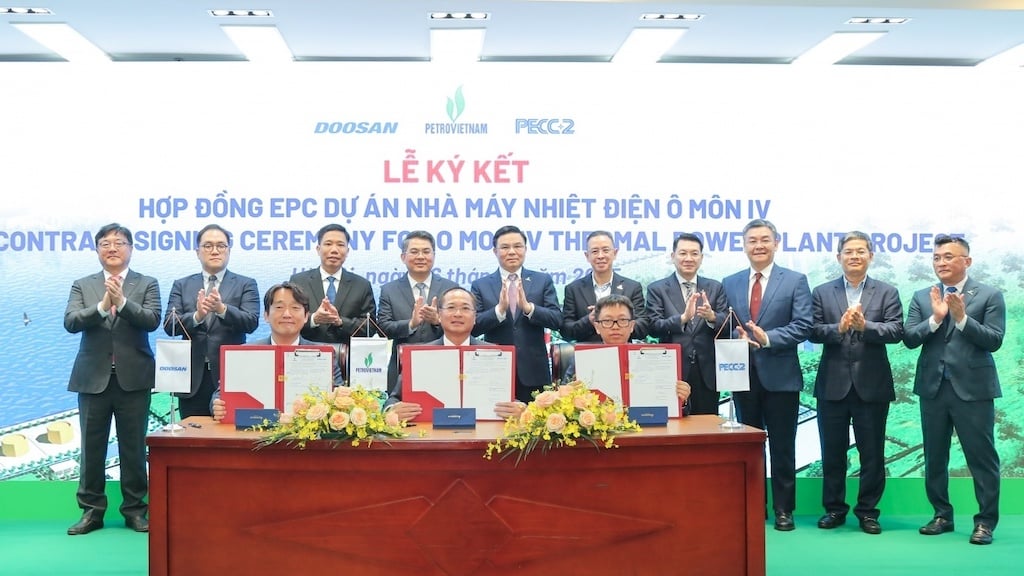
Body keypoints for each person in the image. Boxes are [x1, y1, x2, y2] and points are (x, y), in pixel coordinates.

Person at [904, 234, 1004, 546]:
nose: (941, 262)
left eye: (948, 256)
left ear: (967, 261)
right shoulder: (923, 296)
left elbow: (994, 340)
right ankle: (941, 515)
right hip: (933, 389)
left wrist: (962, 319)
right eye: (937, 258)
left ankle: (985, 522)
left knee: (981, 458)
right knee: (935, 457)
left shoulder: (989, 295)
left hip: (973, 390)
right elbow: (910, 338)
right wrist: (935, 319)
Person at [64, 223, 161, 536]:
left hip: (134, 379)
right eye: (105, 243)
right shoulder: (83, 285)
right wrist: (102, 307)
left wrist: (123, 302)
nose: (112, 248)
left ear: (130, 248)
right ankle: (91, 512)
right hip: (93, 379)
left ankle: (135, 510)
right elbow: (71, 322)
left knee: (133, 449)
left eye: (119, 242)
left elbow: (152, 320)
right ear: (97, 250)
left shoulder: (147, 283)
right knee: (92, 449)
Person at [809, 231, 904, 535]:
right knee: (832, 452)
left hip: (872, 386)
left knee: (872, 453)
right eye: (848, 251)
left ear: (870, 256)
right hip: (832, 385)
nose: (854, 256)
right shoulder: (822, 292)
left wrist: (867, 326)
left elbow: (896, 331)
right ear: (838, 257)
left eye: (860, 251)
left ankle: (868, 512)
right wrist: (837, 328)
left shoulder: (887, 292)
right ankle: (834, 509)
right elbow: (812, 331)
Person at [722, 218, 812, 532]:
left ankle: (784, 509)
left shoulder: (795, 280)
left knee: (783, 446)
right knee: (748, 446)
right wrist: (734, 334)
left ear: (776, 242)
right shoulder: (730, 282)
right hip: (742, 376)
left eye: (764, 239)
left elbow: (803, 325)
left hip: (781, 377)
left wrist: (768, 338)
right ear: (744, 245)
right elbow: (726, 323)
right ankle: (753, 506)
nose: (758, 245)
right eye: (752, 240)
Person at [163, 224, 260, 418]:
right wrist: (197, 316)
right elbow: (169, 325)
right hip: (191, 378)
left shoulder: (246, 284)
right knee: (192, 433)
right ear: (197, 252)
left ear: (229, 250)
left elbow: (251, 322)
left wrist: (222, 310)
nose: (215, 251)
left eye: (221, 246)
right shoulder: (182, 284)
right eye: (208, 246)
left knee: (228, 432)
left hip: (230, 375)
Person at [212, 282, 346, 421]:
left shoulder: (323, 355)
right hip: (254, 429)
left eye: (295, 308)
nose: (287, 314)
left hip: (306, 431)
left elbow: (339, 397)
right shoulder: (244, 354)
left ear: (306, 316)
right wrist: (217, 406)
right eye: (279, 307)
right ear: (266, 315)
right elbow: (219, 395)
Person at [387, 287, 525, 422]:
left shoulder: (495, 355)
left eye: (465, 308)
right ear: (439, 315)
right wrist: (392, 410)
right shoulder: (420, 356)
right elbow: (393, 399)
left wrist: (521, 410)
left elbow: (510, 399)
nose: (458, 314)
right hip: (429, 432)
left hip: (484, 432)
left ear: (475, 317)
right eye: (451, 307)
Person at [471, 225, 563, 402]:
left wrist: (529, 309)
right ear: (495, 251)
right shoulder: (480, 285)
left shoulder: (542, 280)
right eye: (505, 247)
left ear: (525, 249)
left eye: (517, 246)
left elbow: (556, 319)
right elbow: (473, 327)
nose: (512, 252)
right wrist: (499, 310)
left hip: (534, 371)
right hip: (494, 370)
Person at [647, 233, 728, 415]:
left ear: (701, 257)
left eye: (694, 253)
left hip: (707, 371)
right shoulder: (657, 289)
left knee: (707, 425)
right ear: (672, 256)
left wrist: (712, 317)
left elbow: (727, 325)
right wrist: (682, 319)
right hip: (672, 371)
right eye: (683, 253)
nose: (689, 258)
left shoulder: (715, 287)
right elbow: (653, 326)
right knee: (673, 424)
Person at [565, 294, 691, 406]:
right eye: (607, 321)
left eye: (622, 320)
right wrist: (567, 393)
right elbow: (563, 401)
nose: (615, 327)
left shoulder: (653, 357)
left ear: (632, 326)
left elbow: (682, 410)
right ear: (597, 327)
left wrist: (682, 399)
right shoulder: (582, 358)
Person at [377, 230, 459, 396]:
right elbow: (382, 329)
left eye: (426, 251)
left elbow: (463, 327)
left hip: (444, 366)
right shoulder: (389, 290)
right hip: (401, 368)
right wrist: (410, 324)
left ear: (434, 256)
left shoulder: (451, 288)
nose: (421, 257)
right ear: (403, 257)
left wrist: (438, 320)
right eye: (414, 252)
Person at [289, 223, 376, 347]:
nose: (334, 250)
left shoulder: (361, 285)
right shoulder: (298, 281)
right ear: (318, 249)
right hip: (307, 353)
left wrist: (340, 322)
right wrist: (314, 319)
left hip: (348, 355)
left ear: (347, 251)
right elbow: (289, 319)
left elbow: (370, 327)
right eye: (328, 244)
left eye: (340, 245)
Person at [560, 230, 647, 343]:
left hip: (622, 351)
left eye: (605, 250)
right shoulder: (574, 289)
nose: (600, 256)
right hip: (587, 352)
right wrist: (589, 320)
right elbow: (566, 331)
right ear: (587, 256)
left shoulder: (632, 287)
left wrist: (620, 321)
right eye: (595, 251)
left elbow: (643, 327)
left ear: (615, 253)